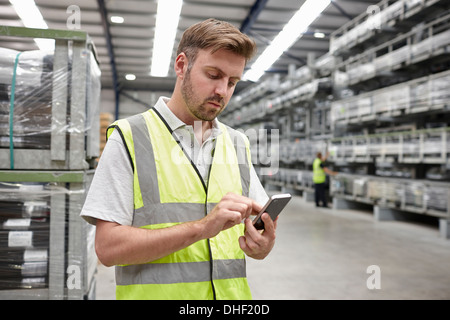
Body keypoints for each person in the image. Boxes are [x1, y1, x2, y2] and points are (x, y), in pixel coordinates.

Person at [80, 18, 277, 300]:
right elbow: (108, 249)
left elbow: (255, 231)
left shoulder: (238, 143)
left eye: (232, 82)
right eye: (213, 75)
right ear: (182, 66)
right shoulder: (130, 137)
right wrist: (201, 228)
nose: (223, 91)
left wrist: (263, 245)